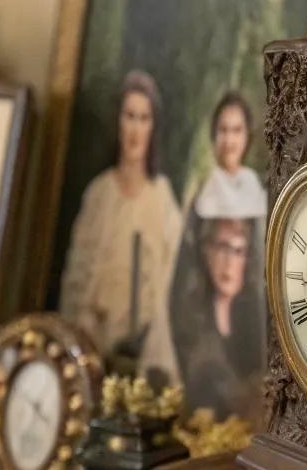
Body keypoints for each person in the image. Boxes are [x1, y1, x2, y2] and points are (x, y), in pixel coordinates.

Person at [59, 70, 181, 381]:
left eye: (144, 118)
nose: (135, 130)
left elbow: (172, 288)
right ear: (118, 122)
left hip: (141, 358)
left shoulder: (163, 200)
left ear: (153, 127)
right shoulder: (99, 194)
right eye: (129, 117)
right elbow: (77, 278)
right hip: (92, 350)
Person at [171, 216, 266, 421]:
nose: (228, 262)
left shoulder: (257, 320)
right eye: (222, 247)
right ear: (207, 251)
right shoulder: (189, 319)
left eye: (238, 251)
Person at [192, 92, 267, 221]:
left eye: (237, 130)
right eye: (223, 130)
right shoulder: (205, 189)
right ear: (214, 134)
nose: (229, 140)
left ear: (247, 135)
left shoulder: (252, 182)